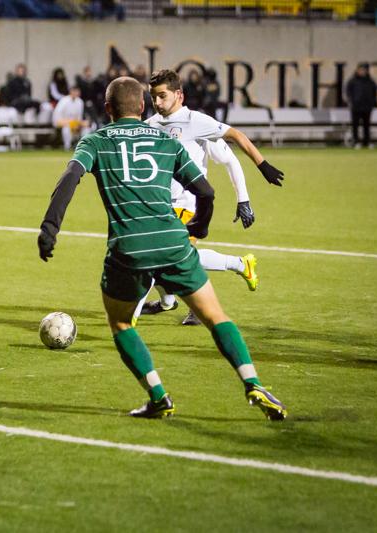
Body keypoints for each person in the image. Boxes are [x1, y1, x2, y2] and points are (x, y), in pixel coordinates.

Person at [37, 76, 287, 421]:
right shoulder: (164, 139)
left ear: (107, 109)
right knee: (215, 317)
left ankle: (159, 397)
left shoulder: (94, 141)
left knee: (122, 324)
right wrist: (200, 225)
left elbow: (69, 180)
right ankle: (254, 383)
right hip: (173, 240)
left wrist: (50, 229)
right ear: (142, 106)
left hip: (129, 249)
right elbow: (207, 192)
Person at [142, 69, 285, 325]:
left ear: (179, 95)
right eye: (154, 97)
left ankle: (170, 306)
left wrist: (256, 176)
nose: (158, 102)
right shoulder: (151, 125)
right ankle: (237, 267)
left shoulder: (197, 122)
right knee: (173, 259)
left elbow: (233, 149)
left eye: (162, 96)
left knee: (158, 256)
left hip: (188, 205)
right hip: (160, 206)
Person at [345, 63, 377, 149]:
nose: (362, 71)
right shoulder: (352, 81)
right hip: (356, 107)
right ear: (357, 70)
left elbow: (374, 93)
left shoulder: (371, 81)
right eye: (360, 70)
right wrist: (351, 101)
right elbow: (348, 92)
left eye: (364, 70)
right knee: (355, 125)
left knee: (366, 125)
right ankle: (356, 142)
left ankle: (366, 142)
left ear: (366, 71)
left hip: (367, 107)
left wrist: (372, 102)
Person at [52, 86, 90, 150]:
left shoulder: (80, 102)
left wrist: (80, 123)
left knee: (86, 128)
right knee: (66, 128)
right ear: (70, 91)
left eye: (77, 91)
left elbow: (79, 117)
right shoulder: (64, 100)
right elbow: (57, 117)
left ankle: (82, 147)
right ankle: (67, 147)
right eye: (74, 91)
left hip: (74, 123)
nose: (75, 93)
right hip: (63, 122)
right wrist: (68, 122)